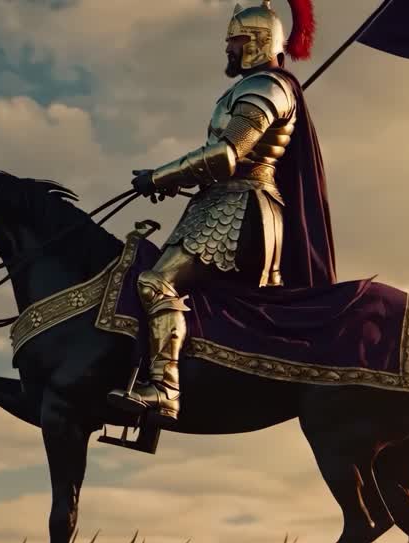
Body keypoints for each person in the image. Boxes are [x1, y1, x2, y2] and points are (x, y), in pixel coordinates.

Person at [109, 0, 329, 421]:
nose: (228, 49)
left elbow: (228, 154)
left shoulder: (265, 87)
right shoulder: (252, 87)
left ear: (259, 42)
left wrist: (160, 177)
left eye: (236, 41)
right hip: (222, 201)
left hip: (240, 206)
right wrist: (172, 182)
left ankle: (164, 389)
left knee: (156, 282)